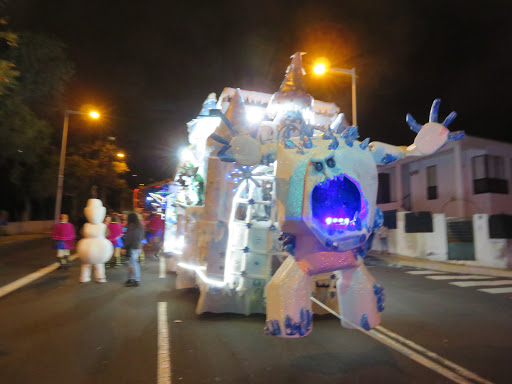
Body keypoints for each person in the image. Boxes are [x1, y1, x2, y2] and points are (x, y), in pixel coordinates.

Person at [123, 212, 144, 287]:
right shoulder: (140, 226)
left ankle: (136, 279)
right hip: (137, 246)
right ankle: (131, 279)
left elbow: (129, 238)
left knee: (133, 263)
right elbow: (141, 237)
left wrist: (125, 247)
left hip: (132, 247)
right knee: (132, 264)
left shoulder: (131, 226)